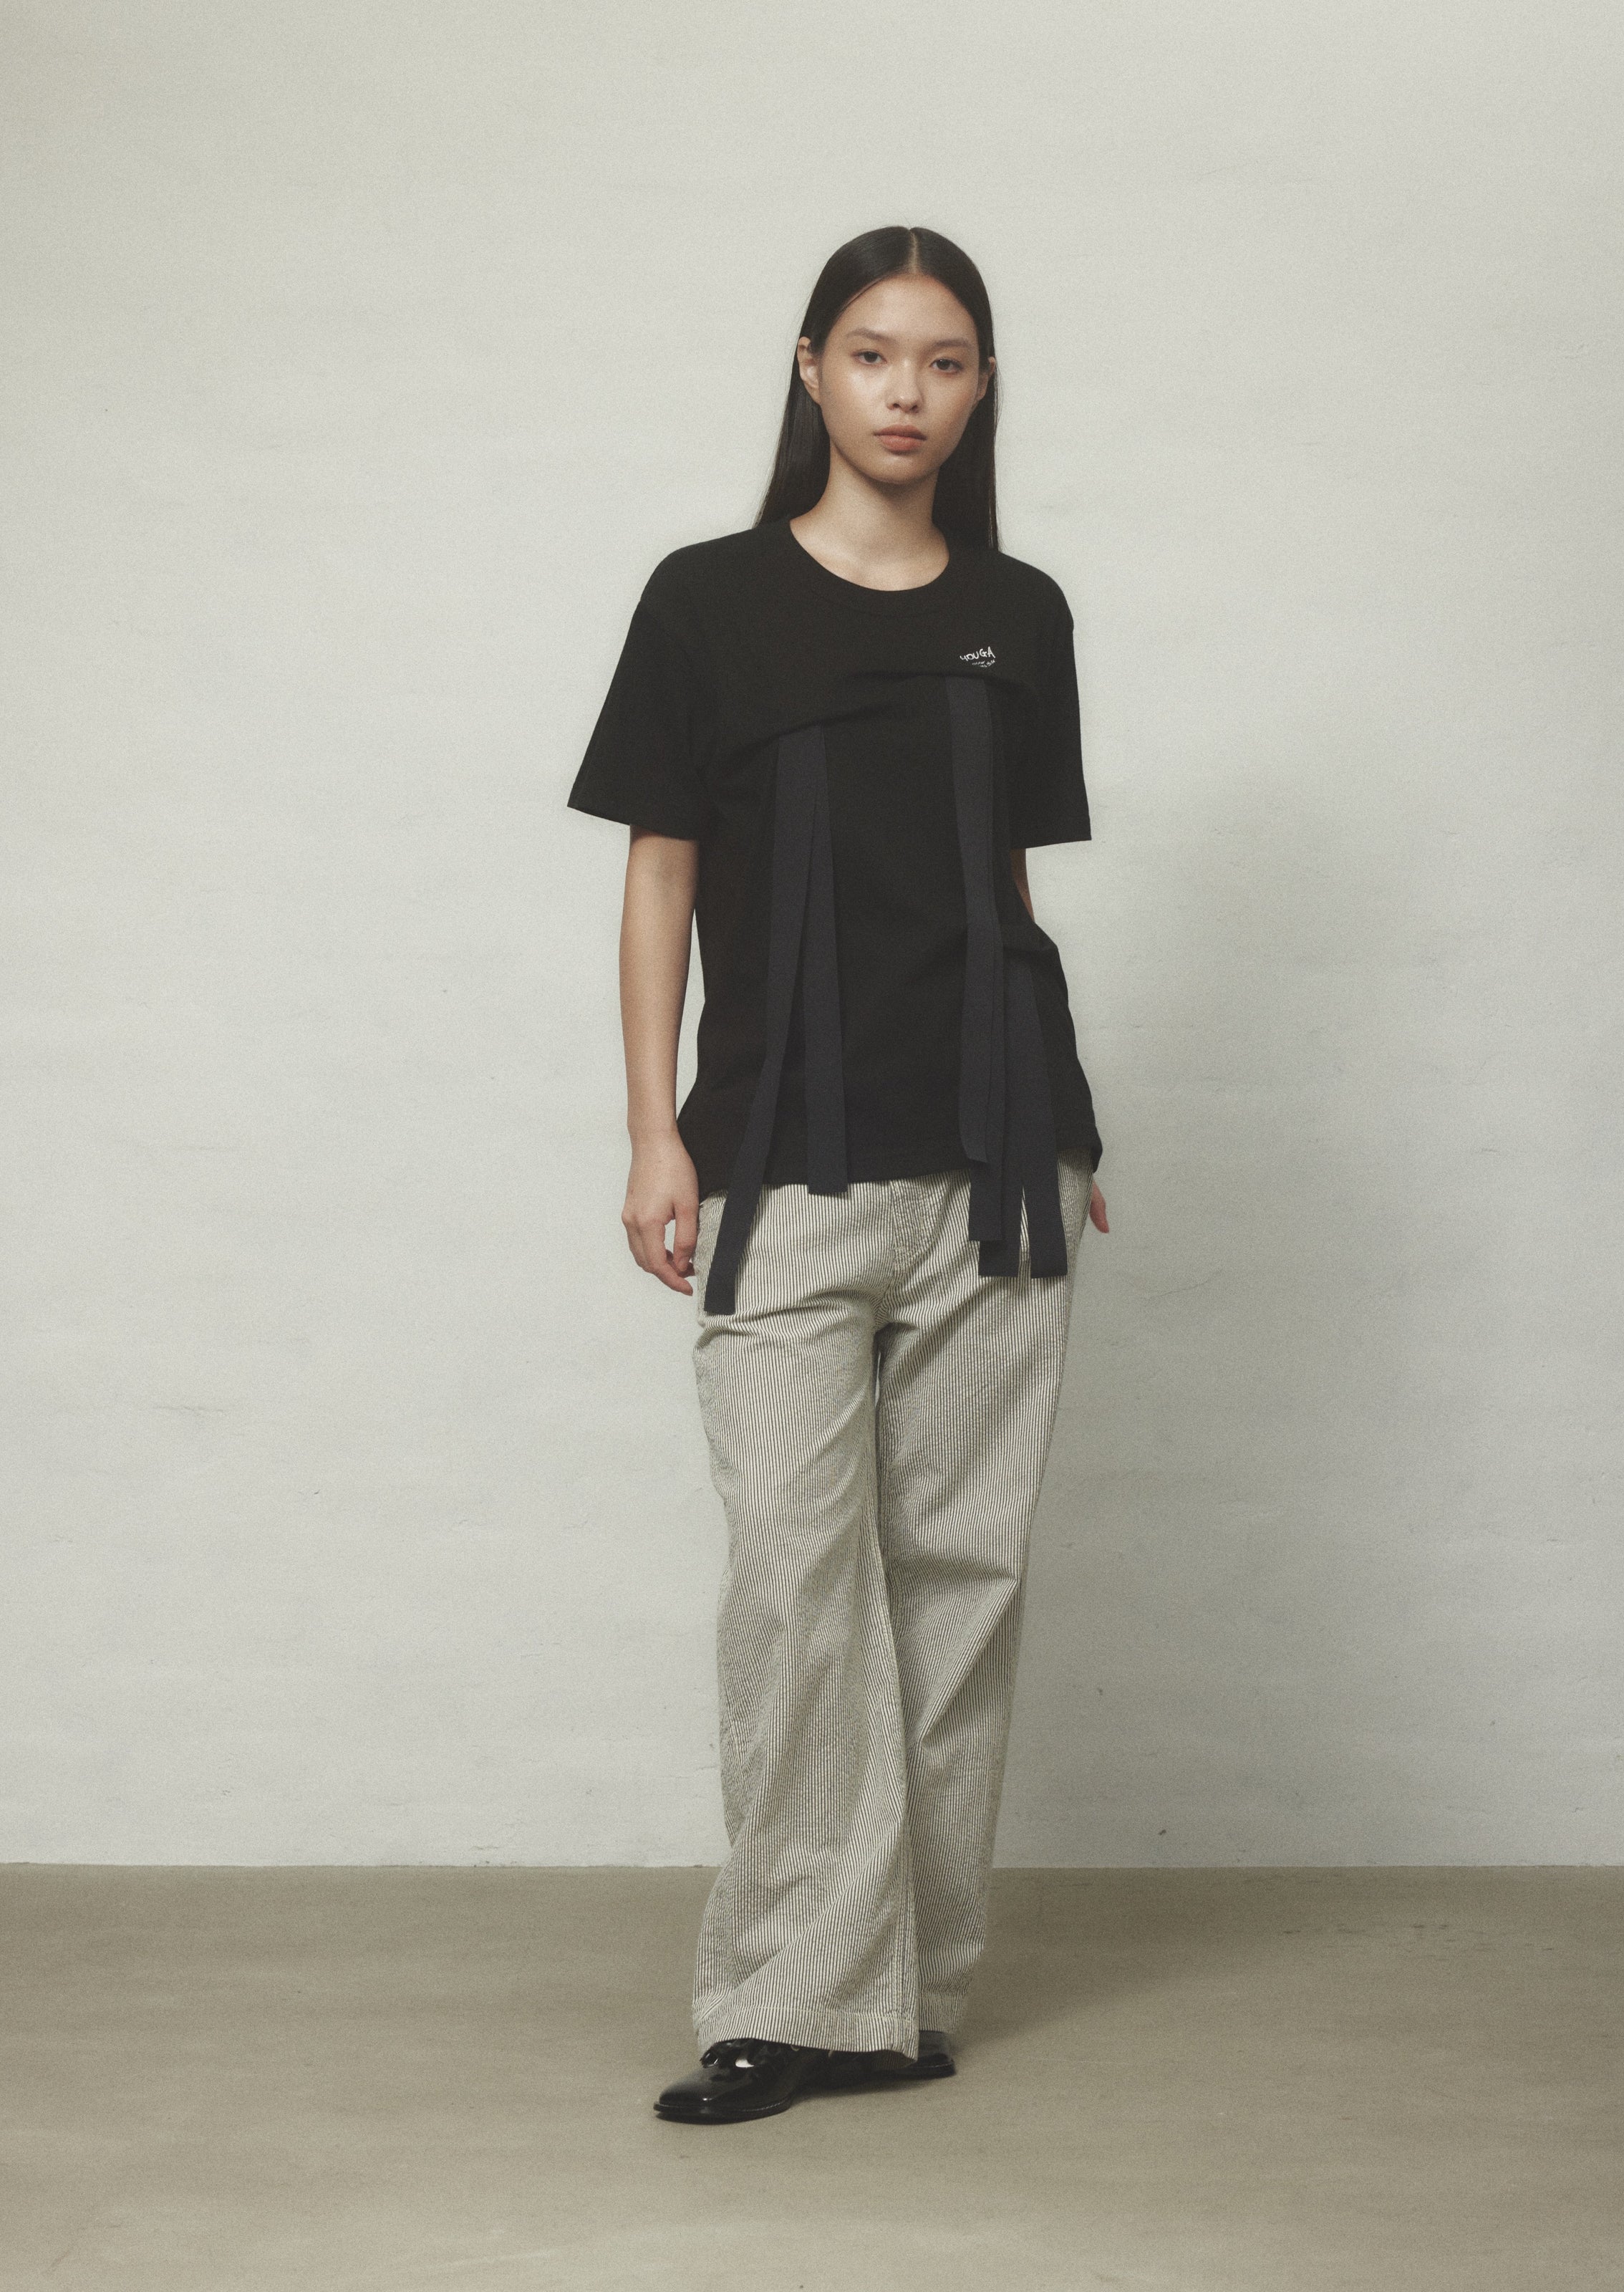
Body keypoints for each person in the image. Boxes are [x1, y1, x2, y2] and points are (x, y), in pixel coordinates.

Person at [566, 224, 1108, 2125]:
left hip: (993, 1170)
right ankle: (787, 1996)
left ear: (980, 388)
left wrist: (1066, 1117)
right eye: (873, 353)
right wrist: (658, 1130)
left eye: (945, 360)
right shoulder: (709, 600)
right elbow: (660, 872)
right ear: (811, 370)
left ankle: (898, 2001)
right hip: (782, 1164)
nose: (907, 391)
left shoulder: (1021, 611)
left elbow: (1004, 891)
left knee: (960, 1582)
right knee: (799, 1587)